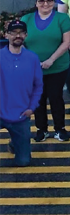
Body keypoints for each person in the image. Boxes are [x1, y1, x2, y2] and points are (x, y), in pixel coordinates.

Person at [22, 0, 70, 143]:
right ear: (36, 3)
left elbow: (67, 42)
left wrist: (51, 60)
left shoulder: (62, 19)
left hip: (58, 67)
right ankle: (41, 130)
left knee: (56, 97)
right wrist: (31, 60)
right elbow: (19, 40)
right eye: (42, 1)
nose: (45, 4)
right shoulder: (26, 19)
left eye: (49, 1)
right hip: (33, 68)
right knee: (38, 99)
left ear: (54, 3)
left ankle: (60, 129)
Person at [0, 19, 42, 167]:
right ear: (6, 35)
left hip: (21, 114)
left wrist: (32, 107)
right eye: (13, 33)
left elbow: (38, 86)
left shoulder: (33, 58)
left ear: (26, 35)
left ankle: (14, 144)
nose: (17, 36)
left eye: (21, 32)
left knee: (23, 162)